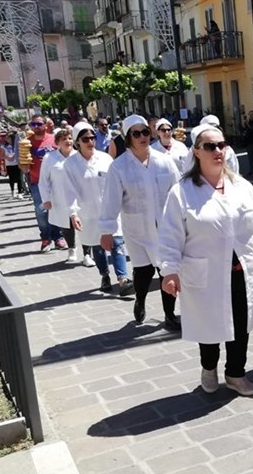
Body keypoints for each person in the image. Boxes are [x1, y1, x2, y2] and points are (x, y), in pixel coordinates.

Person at [160, 126, 253, 396]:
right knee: (209, 324)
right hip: (206, 272)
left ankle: (236, 373)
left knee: (241, 324)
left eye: (222, 145)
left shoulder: (242, 186)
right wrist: (169, 271)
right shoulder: (182, 192)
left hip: (241, 270)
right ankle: (209, 366)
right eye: (210, 146)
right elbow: (170, 234)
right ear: (196, 153)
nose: (218, 151)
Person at [99, 115, 182, 329]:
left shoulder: (164, 161)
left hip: (164, 228)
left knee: (167, 269)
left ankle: (169, 314)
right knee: (144, 271)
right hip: (136, 229)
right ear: (128, 138)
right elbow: (111, 200)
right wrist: (107, 230)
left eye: (145, 132)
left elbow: (179, 192)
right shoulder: (119, 167)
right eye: (136, 134)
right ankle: (141, 300)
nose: (142, 137)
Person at [66, 122, 134, 295]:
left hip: (110, 209)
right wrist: (73, 213)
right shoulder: (71, 164)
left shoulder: (105, 159)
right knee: (97, 246)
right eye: (85, 139)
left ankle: (123, 278)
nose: (90, 141)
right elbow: (69, 191)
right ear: (77, 142)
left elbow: (117, 183)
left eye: (92, 138)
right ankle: (104, 275)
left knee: (117, 242)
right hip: (88, 212)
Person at [39, 127, 86, 265]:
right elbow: (43, 180)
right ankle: (72, 248)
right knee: (66, 224)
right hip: (60, 196)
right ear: (57, 142)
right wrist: (46, 199)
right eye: (64, 139)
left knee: (83, 223)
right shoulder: (50, 158)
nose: (68, 141)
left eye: (70, 138)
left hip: (79, 196)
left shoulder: (79, 156)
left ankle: (87, 252)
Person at [23, 116, 67, 253]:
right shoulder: (27, 143)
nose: (36, 126)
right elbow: (24, 168)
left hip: (55, 181)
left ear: (45, 125)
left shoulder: (53, 139)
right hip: (36, 181)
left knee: (56, 209)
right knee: (41, 211)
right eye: (33, 124)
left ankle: (58, 237)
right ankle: (45, 237)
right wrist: (24, 163)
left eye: (39, 124)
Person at [1, 133, 24, 199]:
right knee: (11, 178)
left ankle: (20, 192)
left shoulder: (17, 145)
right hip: (9, 164)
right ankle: (12, 192)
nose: (7, 139)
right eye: (6, 138)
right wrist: (7, 157)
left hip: (17, 163)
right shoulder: (4, 146)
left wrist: (15, 155)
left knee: (19, 178)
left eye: (8, 138)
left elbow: (21, 152)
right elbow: (1, 156)